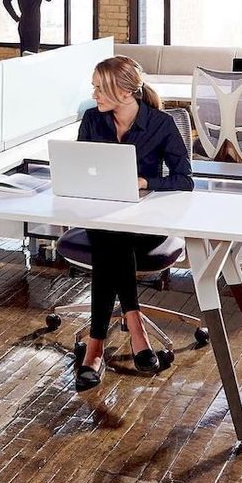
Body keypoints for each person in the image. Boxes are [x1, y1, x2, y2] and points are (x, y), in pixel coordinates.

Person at [75, 55, 194, 390]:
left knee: (113, 243)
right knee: (110, 236)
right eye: (94, 87)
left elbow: (185, 179)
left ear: (126, 94)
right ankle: (135, 327)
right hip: (103, 217)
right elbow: (81, 167)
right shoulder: (91, 120)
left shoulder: (161, 124)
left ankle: (95, 348)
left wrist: (145, 183)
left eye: (101, 89)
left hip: (146, 226)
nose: (94, 95)